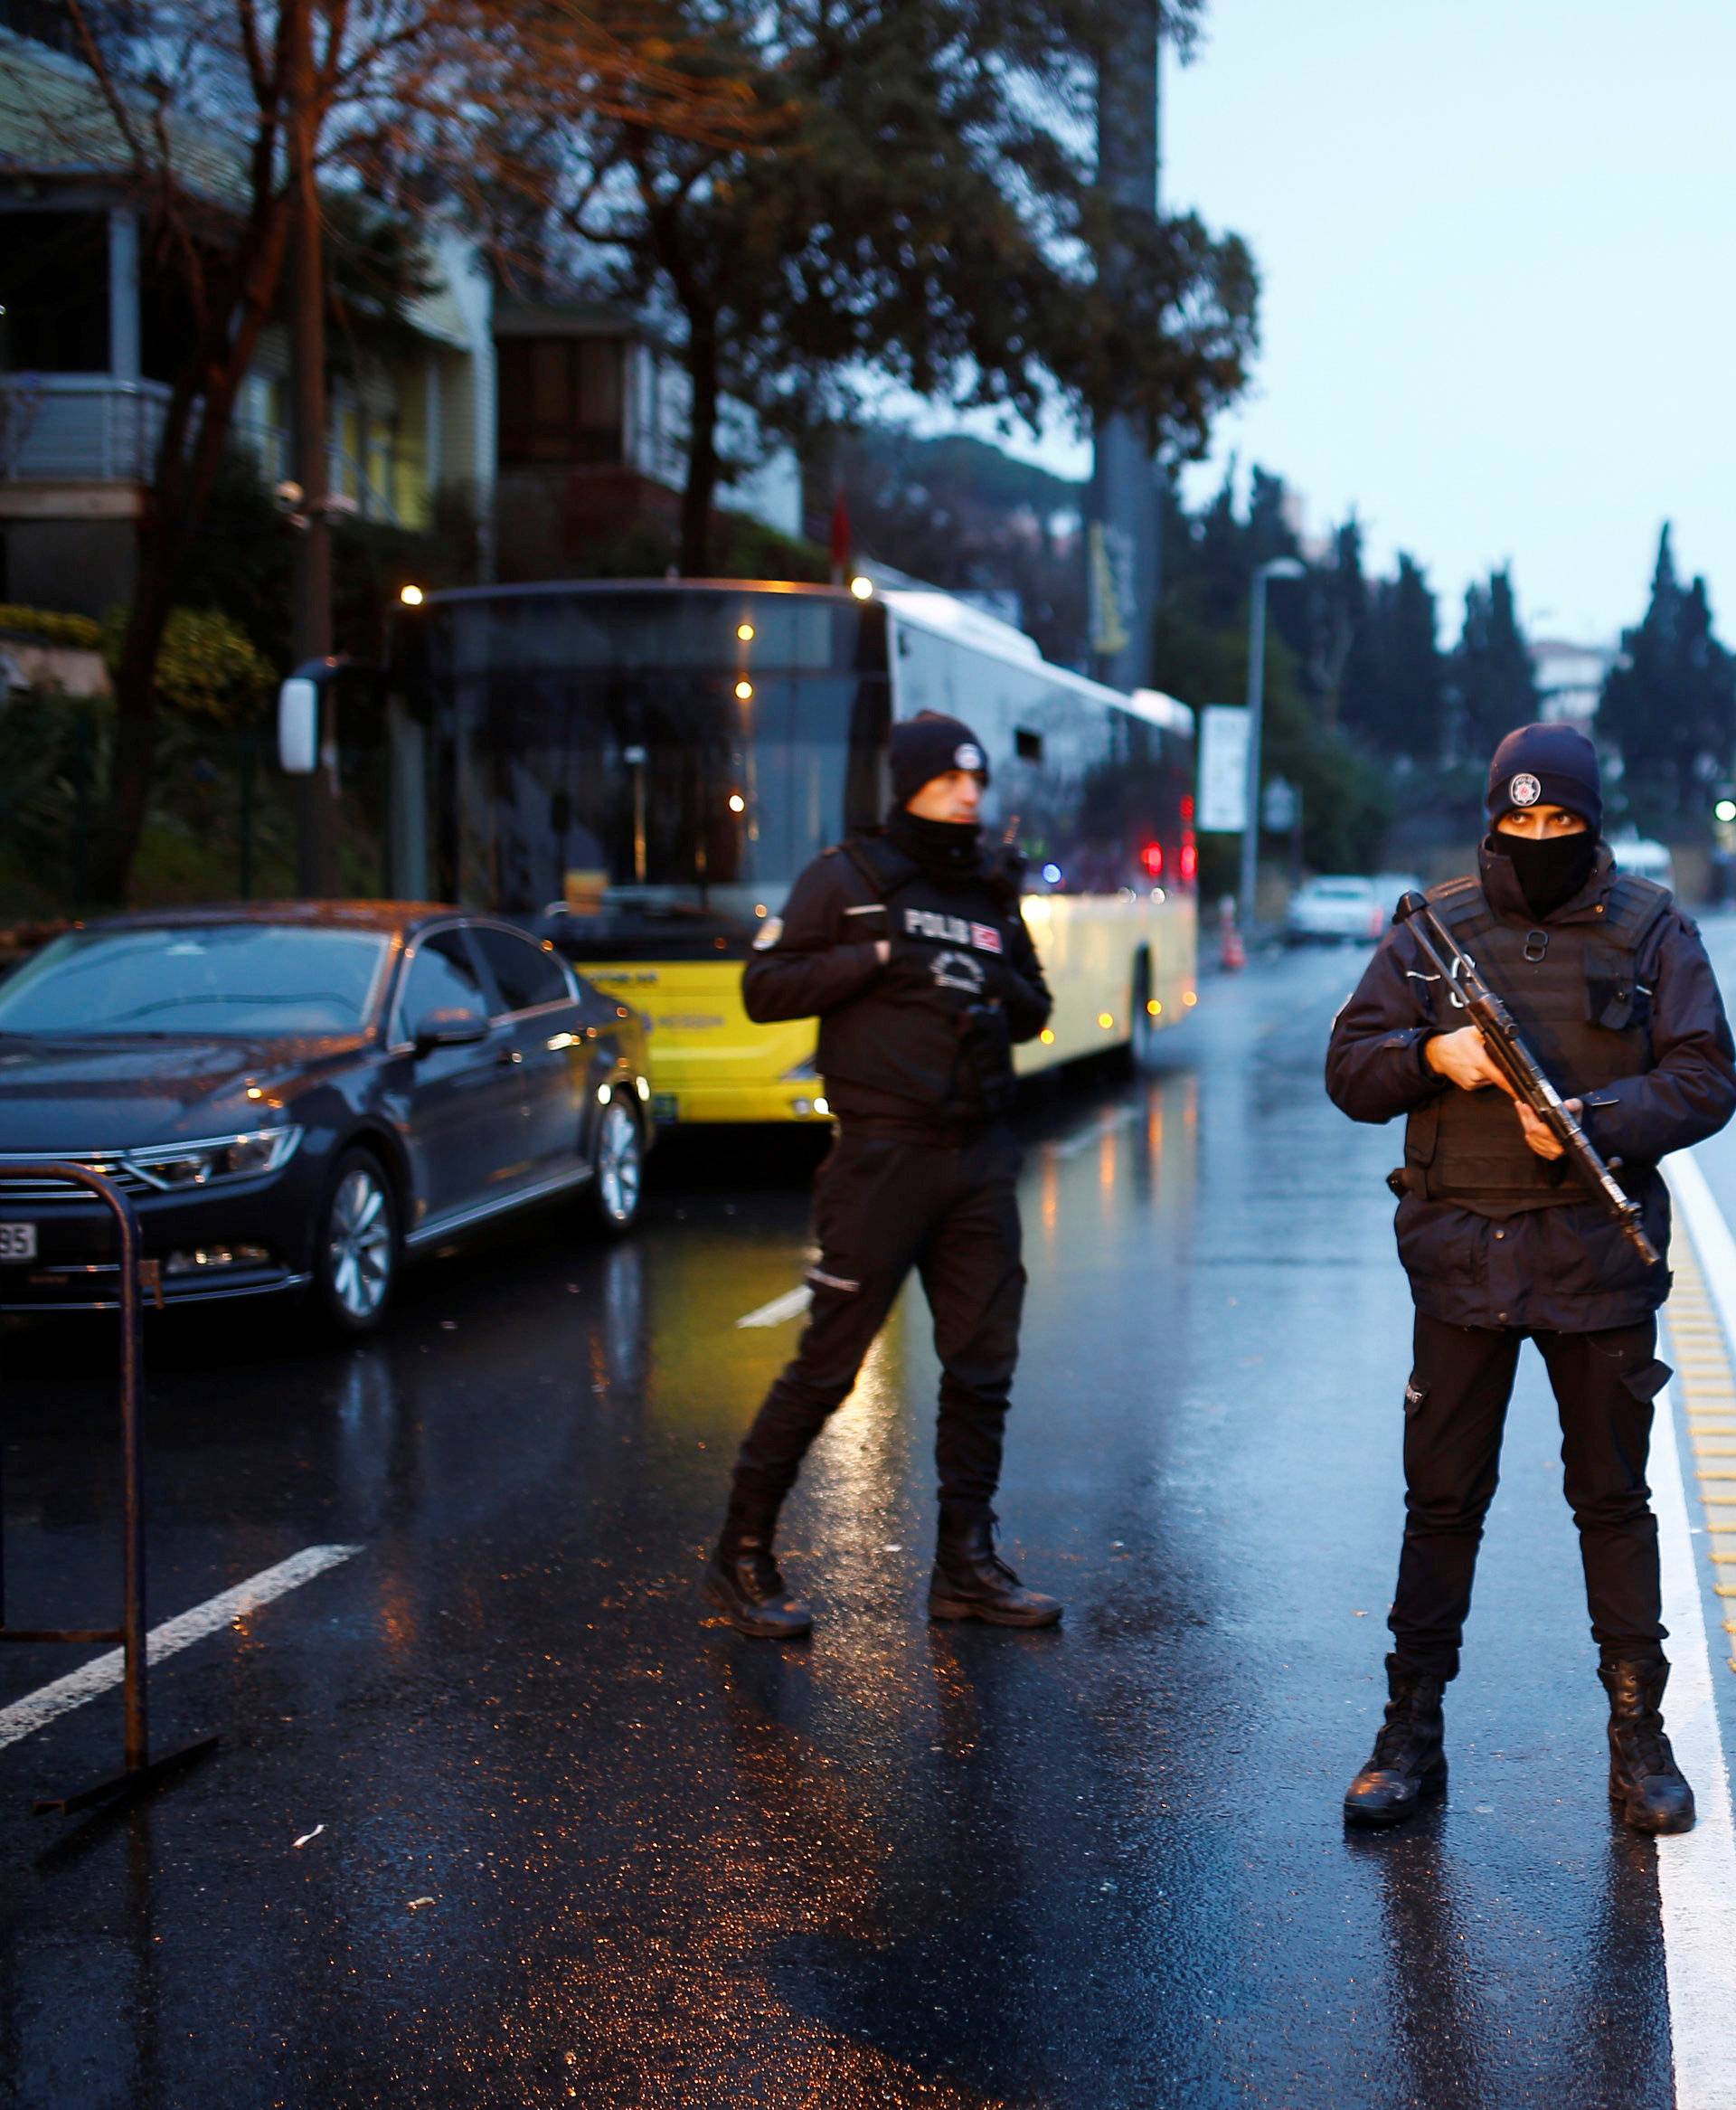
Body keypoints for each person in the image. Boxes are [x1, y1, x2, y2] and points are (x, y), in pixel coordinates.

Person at [1326, 722, 1736, 1832]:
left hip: (1597, 1264)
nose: (1539, 837)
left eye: (1559, 820)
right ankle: (1409, 1731)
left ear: (1590, 822)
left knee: (1611, 1500)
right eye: (1521, 820)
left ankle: (1638, 1734)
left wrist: (1594, 1120)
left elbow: (1707, 1075)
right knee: (1442, 1502)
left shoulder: (1654, 927)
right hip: (1464, 1257)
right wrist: (1433, 1055)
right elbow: (1351, 1070)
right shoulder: (1431, 932)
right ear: (1491, 820)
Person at [705, 712, 1062, 1639]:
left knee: (983, 1367)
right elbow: (763, 987)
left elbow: (1035, 1008)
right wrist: (873, 957)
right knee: (828, 1363)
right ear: (908, 782)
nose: (969, 796)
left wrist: (989, 995)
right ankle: (741, 1551)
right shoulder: (848, 878)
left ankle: (966, 1568)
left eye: (977, 783)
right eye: (951, 780)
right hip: (883, 1155)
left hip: (979, 1154)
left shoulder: (989, 885)